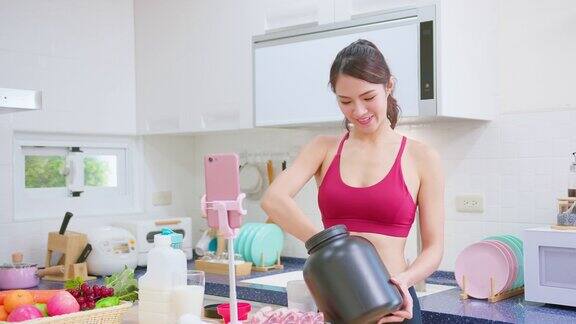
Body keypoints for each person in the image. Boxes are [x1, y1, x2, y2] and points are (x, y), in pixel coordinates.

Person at [261, 39, 445, 323]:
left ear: (389, 86)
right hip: (339, 307)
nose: (358, 111)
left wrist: (405, 281)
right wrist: (329, 245)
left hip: (394, 306)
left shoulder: (421, 157)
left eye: (368, 97)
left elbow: (434, 248)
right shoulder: (323, 148)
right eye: (345, 101)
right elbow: (273, 199)